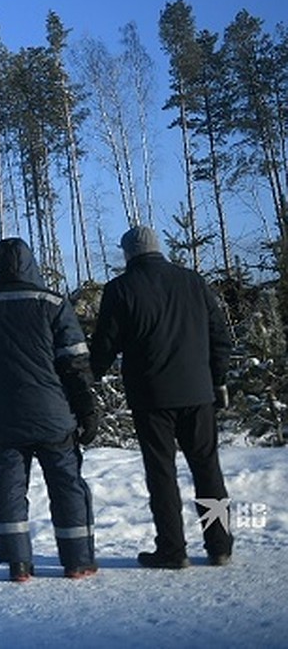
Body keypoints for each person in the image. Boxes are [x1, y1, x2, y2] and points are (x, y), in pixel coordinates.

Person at [90, 224, 234, 569]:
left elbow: (105, 346)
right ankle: (219, 545)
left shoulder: (120, 289)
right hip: (198, 392)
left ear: (128, 254)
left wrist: (86, 379)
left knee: (161, 473)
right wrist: (218, 381)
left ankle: (172, 549)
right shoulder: (193, 281)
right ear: (158, 249)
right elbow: (220, 337)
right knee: (207, 468)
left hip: (151, 397)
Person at [0, 237, 99, 582]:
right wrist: (88, 411)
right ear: (31, 264)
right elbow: (75, 365)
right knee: (67, 484)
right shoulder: (53, 303)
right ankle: (77, 561)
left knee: (8, 486)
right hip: (54, 416)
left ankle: (19, 564)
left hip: (1, 419)